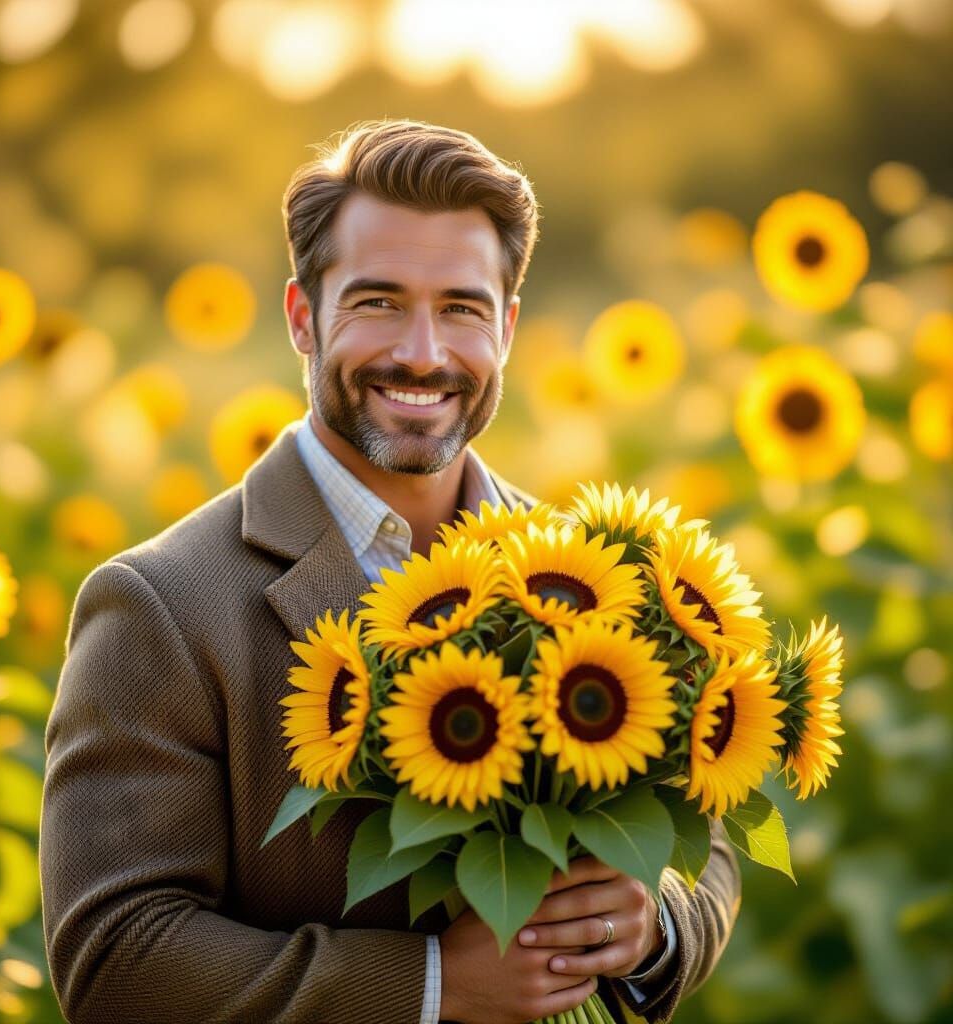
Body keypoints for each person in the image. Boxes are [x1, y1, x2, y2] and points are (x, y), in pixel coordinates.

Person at [40, 118, 740, 1024]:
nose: (423, 353)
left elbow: (706, 833)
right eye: (377, 302)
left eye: (461, 308)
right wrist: (432, 988)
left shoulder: (596, 571)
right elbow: (115, 956)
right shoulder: (160, 606)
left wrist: (655, 928)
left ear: (508, 328)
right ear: (303, 316)